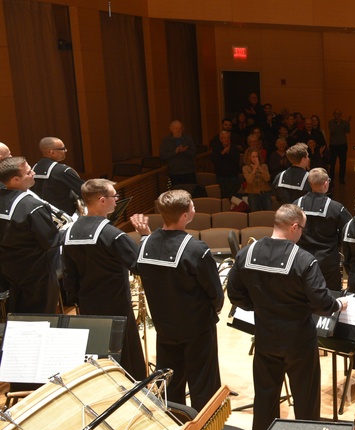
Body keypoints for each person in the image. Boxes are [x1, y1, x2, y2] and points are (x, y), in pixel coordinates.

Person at [228, 204, 347, 430]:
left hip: (264, 337)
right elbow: (322, 303)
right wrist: (338, 304)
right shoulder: (304, 260)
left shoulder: (247, 253)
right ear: (294, 227)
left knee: (265, 397)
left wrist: (257, 306)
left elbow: (234, 294)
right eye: (302, 229)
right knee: (306, 398)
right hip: (299, 340)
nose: (302, 234)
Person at [130, 189, 224, 410]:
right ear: (184, 215)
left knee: (170, 382)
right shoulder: (196, 249)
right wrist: (215, 310)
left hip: (164, 327)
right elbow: (214, 292)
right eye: (192, 206)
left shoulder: (144, 245)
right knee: (203, 383)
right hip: (197, 328)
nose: (194, 208)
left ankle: (173, 428)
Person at [61, 179, 145, 379]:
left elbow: (68, 272)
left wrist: (76, 299)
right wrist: (144, 237)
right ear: (101, 200)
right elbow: (139, 265)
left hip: (87, 305)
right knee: (125, 355)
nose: (116, 200)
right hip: (117, 306)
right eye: (113, 196)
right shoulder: (113, 235)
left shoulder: (70, 232)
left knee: (97, 354)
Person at [0, 157, 61, 314]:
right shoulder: (32, 206)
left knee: (19, 314)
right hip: (37, 273)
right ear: (15, 179)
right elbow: (50, 241)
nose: (33, 173)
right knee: (42, 316)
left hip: (10, 269)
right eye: (28, 172)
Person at [294, 169, 352, 291]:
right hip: (328, 262)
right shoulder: (336, 208)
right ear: (326, 183)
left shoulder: (295, 205)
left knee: (302, 295)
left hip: (301, 259)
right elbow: (348, 231)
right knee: (331, 296)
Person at [31, 136, 84, 216]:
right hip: (65, 217)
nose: (66, 150)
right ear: (52, 152)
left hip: (43, 216)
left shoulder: (33, 169)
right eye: (63, 148)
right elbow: (85, 190)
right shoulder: (62, 171)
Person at [159, 120, 197, 187]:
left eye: (180, 128)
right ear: (171, 129)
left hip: (188, 171)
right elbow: (163, 156)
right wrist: (175, 152)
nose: (178, 130)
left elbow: (194, 153)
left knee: (191, 191)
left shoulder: (188, 138)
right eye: (176, 128)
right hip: (174, 172)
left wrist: (185, 151)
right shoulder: (166, 140)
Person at [212, 129, 243, 200]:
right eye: (224, 138)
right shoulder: (216, 148)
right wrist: (223, 153)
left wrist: (229, 152)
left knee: (234, 196)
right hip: (221, 176)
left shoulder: (234, 148)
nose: (227, 139)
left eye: (228, 138)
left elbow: (236, 160)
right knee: (224, 196)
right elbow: (215, 161)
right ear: (220, 139)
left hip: (233, 176)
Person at [327, 110, 351, 185]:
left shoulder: (344, 122)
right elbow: (333, 130)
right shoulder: (330, 122)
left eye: (339, 114)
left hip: (342, 145)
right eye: (336, 114)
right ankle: (332, 179)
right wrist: (340, 124)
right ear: (333, 114)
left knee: (343, 163)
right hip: (333, 145)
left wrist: (347, 123)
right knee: (332, 163)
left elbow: (348, 131)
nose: (338, 115)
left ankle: (342, 178)